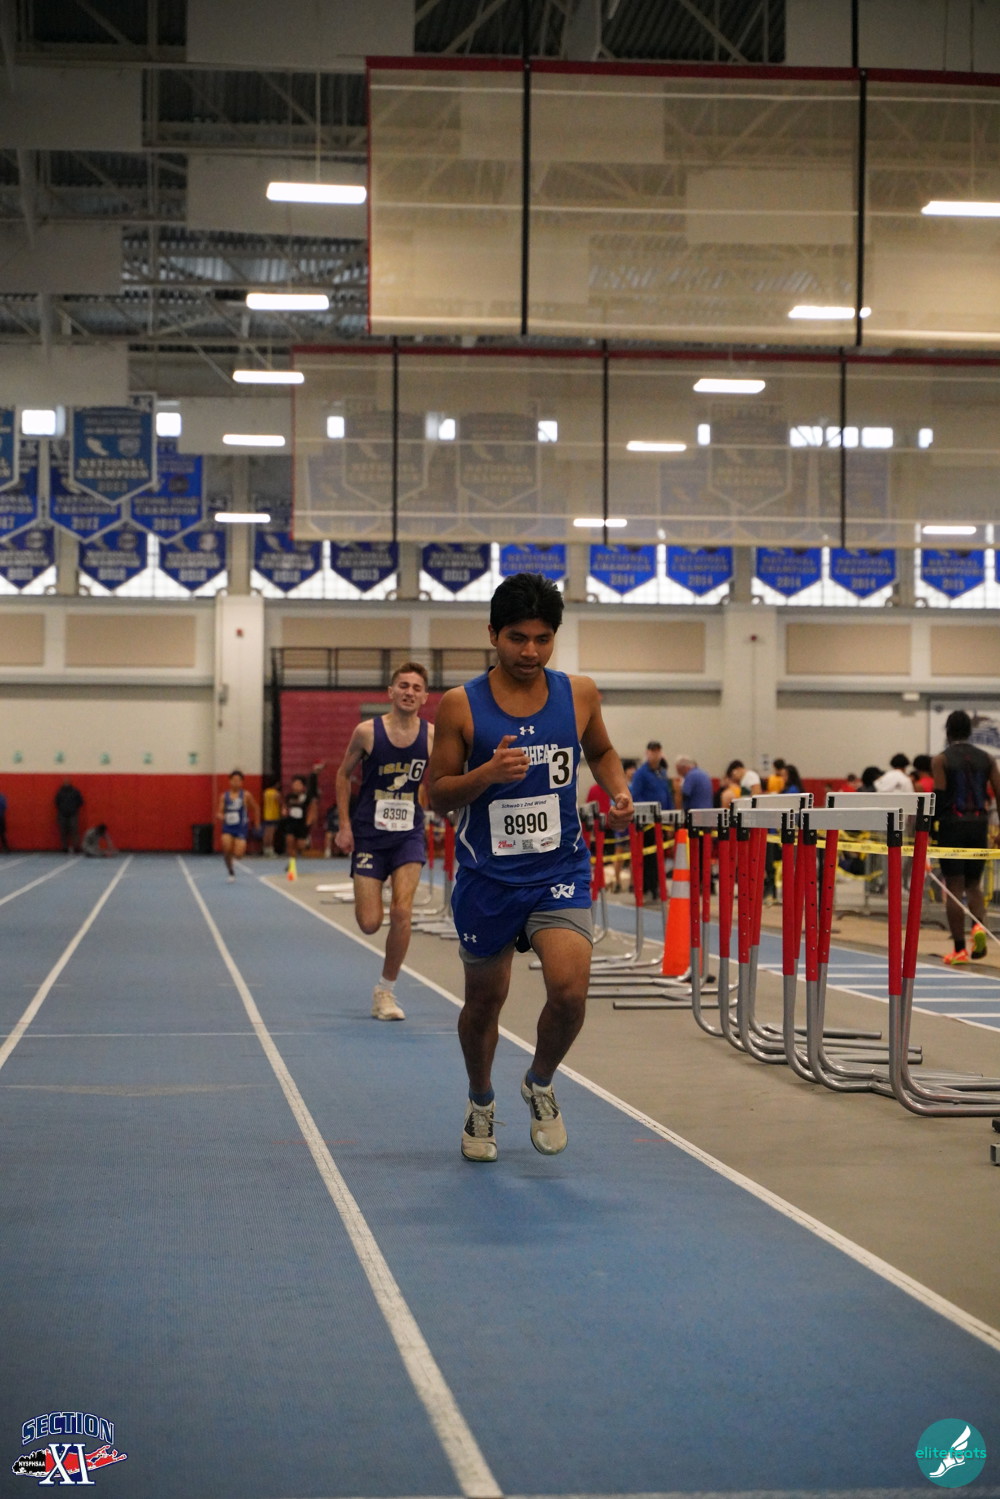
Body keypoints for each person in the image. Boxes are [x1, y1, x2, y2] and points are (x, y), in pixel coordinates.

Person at [428, 572, 633, 1164]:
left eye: (543, 639)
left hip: (558, 869)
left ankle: (539, 1082)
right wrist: (486, 775)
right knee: (484, 1003)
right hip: (487, 878)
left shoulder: (580, 694)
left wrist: (618, 791)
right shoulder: (461, 705)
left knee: (569, 993)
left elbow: (601, 750)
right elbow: (435, 794)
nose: (530, 651)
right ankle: (480, 1099)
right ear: (493, 633)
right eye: (518, 638)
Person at [334, 661, 433, 1021]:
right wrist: (345, 826)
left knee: (403, 911)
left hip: (408, 834)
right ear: (390, 692)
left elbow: (442, 779)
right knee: (370, 923)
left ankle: (385, 991)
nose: (409, 692)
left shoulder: (432, 736)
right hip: (370, 835)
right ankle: (374, 887)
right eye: (403, 686)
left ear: (425, 696)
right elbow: (343, 775)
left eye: (416, 687)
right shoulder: (367, 732)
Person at [931, 709, 1000, 964]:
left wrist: (930, 830)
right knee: (974, 885)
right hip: (979, 824)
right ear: (970, 732)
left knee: (954, 886)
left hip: (952, 824)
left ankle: (959, 948)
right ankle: (978, 927)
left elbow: (939, 796)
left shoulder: (941, 759)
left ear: (948, 731)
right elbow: (999, 792)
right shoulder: (987, 758)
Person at [629, 741, 674, 899]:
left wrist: (669, 818)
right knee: (647, 856)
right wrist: (648, 812)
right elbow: (636, 795)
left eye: (657, 751)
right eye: (652, 751)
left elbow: (667, 795)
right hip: (647, 822)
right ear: (647, 753)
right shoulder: (641, 774)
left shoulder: (662, 773)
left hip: (661, 820)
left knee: (658, 855)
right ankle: (647, 887)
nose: (655, 754)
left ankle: (656, 885)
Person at [216, 770, 259, 880]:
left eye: (238, 780)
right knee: (226, 848)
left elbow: (255, 808)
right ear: (230, 781)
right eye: (233, 780)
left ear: (241, 782)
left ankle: (232, 859)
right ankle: (230, 871)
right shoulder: (224, 796)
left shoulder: (246, 795)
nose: (236, 783)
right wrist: (221, 816)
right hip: (228, 827)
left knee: (239, 854)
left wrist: (257, 823)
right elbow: (219, 812)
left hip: (241, 828)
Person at [282, 772, 317, 865]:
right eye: (295, 784)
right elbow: (285, 806)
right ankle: (291, 862)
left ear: (303, 786)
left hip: (302, 823)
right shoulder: (289, 796)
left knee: (301, 845)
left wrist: (309, 822)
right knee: (289, 840)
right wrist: (284, 810)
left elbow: (311, 809)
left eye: (299, 784)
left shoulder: (307, 797)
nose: (296, 786)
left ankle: (301, 848)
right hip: (291, 822)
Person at [54, 778, 84, 853]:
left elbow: (80, 801)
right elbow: (56, 802)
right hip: (63, 814)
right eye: (65, 782)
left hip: (72, 814)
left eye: (67, 782)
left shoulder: (75, 791)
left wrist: (74, 808)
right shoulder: (60, 792)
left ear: (70, 783)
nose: (66, 784)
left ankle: (76, 847)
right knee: (63, 831)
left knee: (74, 831)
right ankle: (65, 847)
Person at [260, 777, 282, 857]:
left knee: (266, 833)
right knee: (271, 834)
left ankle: (265, 849)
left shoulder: (266, 792)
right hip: (273, 815)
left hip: (266, 815)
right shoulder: (276, 793)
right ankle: (270, 850)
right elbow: (280, 803)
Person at [0, 787, 9, 852]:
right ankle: (5, 847)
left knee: (2, 833)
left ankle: (5, 847)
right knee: (2, 833)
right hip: (1, 816)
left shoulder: (2, 797)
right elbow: (5, 807)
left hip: (1, 816)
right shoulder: (2, 797)